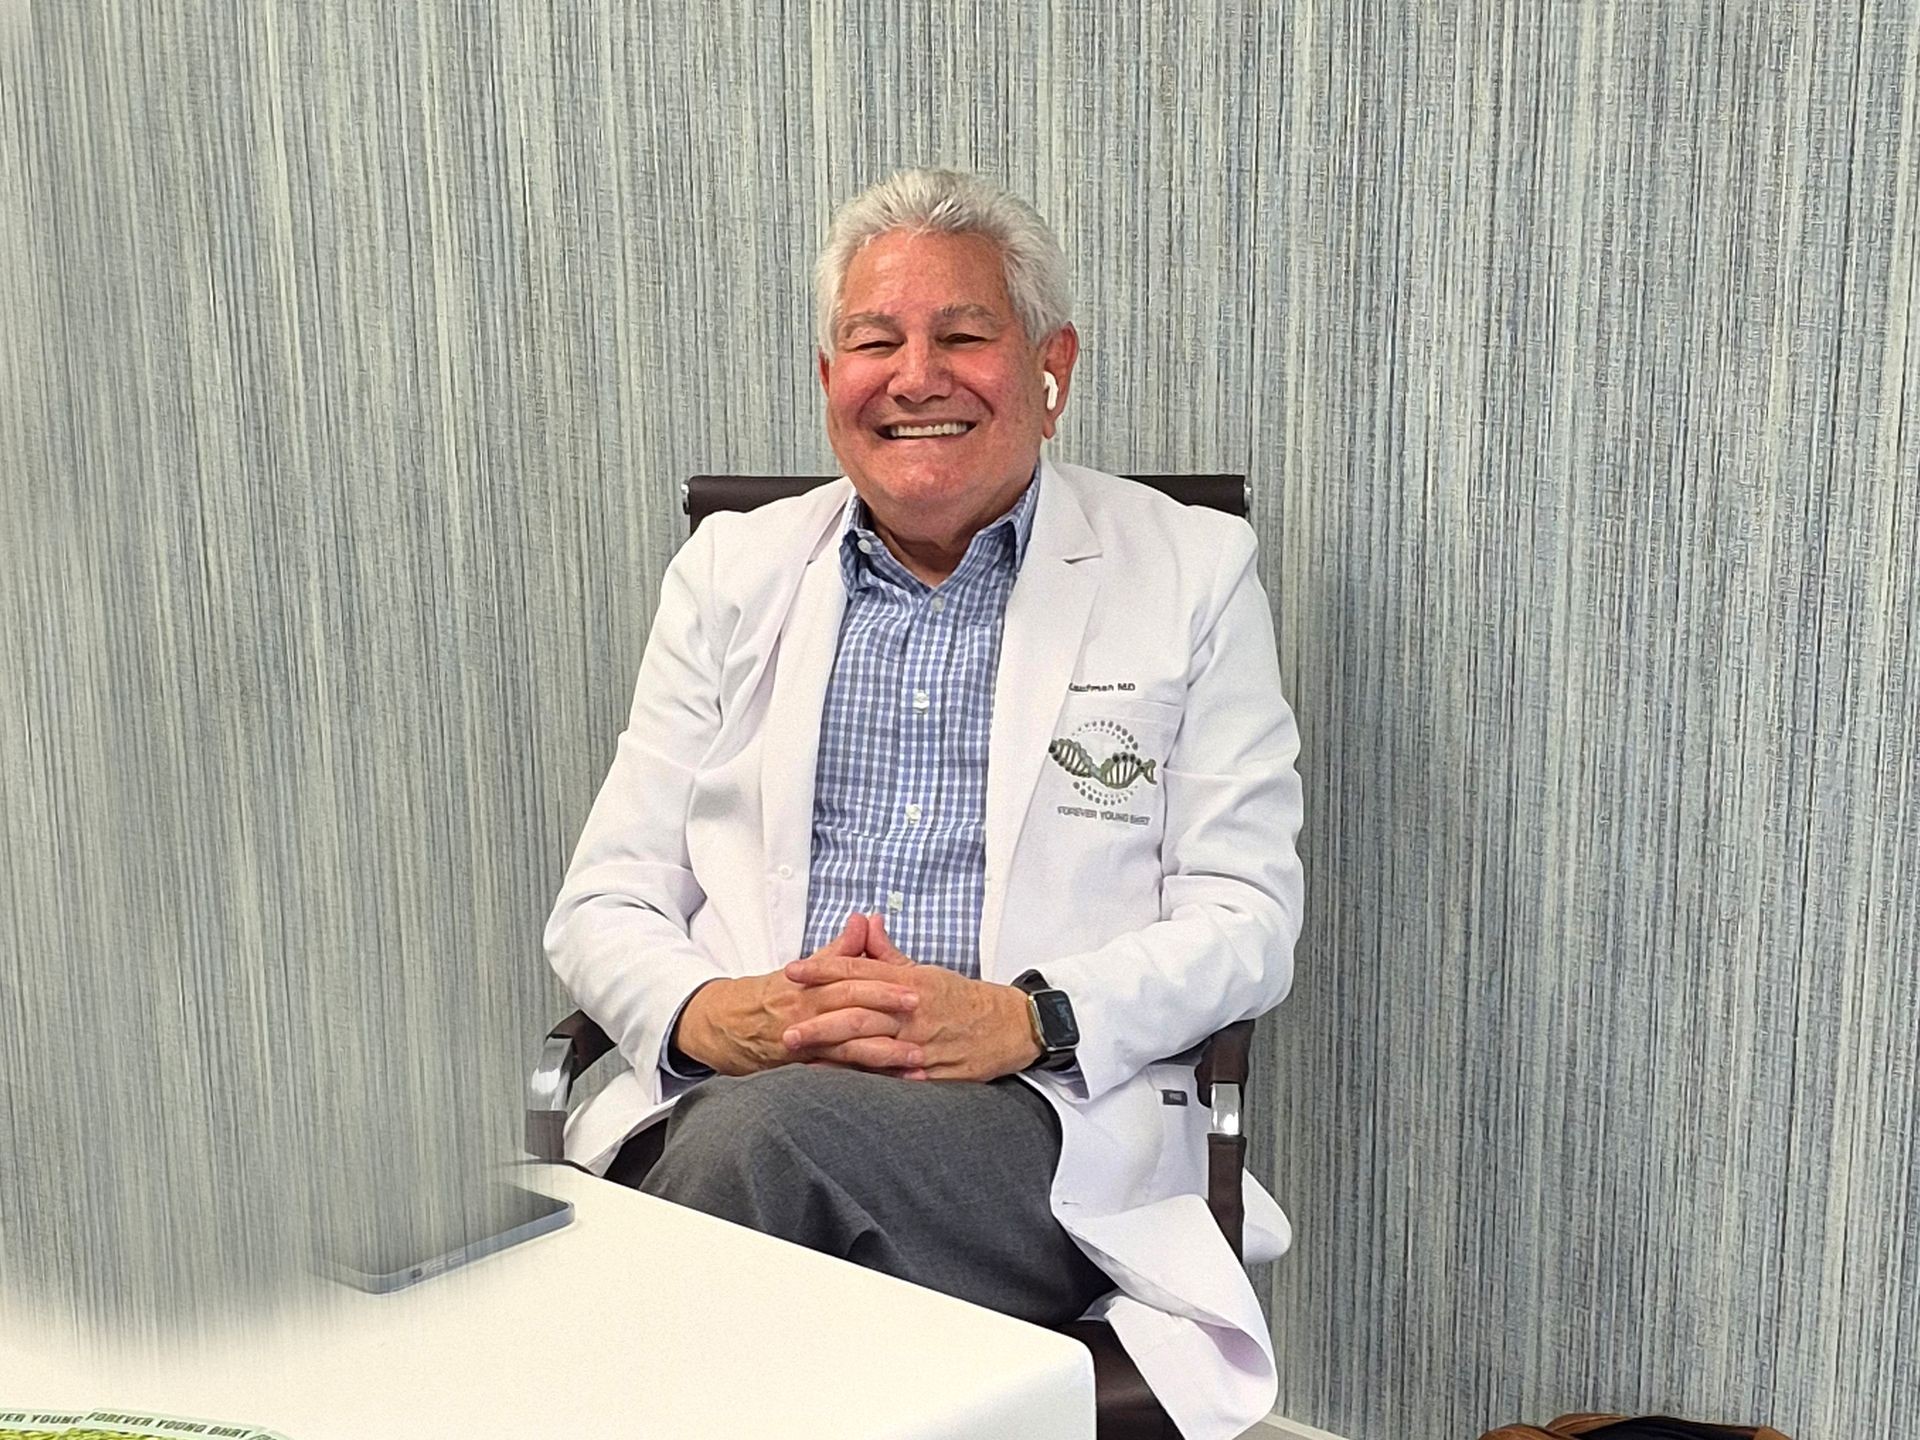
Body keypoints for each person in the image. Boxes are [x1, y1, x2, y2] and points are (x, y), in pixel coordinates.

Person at [545, 168, 1304, 1439]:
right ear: (826, 376)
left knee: (750, 1167)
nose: (915, 377)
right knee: (762, 1179)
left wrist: (1025, 1019)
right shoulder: (731, 572)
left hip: (1032, 1127)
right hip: (737, 1096)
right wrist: (714, 1013)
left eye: (962, 334)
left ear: (1051, 366)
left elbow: (1248, 917)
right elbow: (605, 898)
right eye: (873, 341)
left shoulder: (1188, 569)